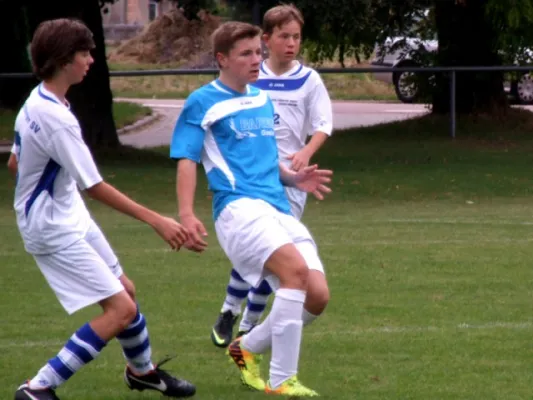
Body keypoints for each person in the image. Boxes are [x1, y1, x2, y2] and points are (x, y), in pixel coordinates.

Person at [11, 18, 195, 400]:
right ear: (64, 60)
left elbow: (16, 163)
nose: (91, 60)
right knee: (120, 310)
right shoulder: (56, 118)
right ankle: (38, 386)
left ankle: (142, 372)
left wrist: (42, 188)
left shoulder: (41, 99)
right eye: (85, 53)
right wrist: (158, 220)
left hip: (67, 214)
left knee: (125, 291)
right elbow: (94, 185)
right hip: (53, 227)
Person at [171, 20, 332, 396]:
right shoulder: (202, 101)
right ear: (222, 59)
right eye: (246, 54)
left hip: (276, 206)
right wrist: (186, 214)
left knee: (318, 295)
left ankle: (245, 347)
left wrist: (294, 179)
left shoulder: (261, 98)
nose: (256, 59)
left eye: (258, 52)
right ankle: (281, 382)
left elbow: (265, 158)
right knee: (294, 272)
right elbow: (185, 160)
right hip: (238, 208)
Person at [210, 3, 333, 348]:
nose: (291, 43)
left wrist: (306, 152)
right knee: (262, 250)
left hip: (291, 181)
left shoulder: (309, 80)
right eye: (284, 36)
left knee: (278, 257)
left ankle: (249, 325)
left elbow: (323, 125)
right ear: (267, 39)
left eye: (296, 37)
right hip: (251, 178)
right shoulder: (250, 76)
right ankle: (231, 310)